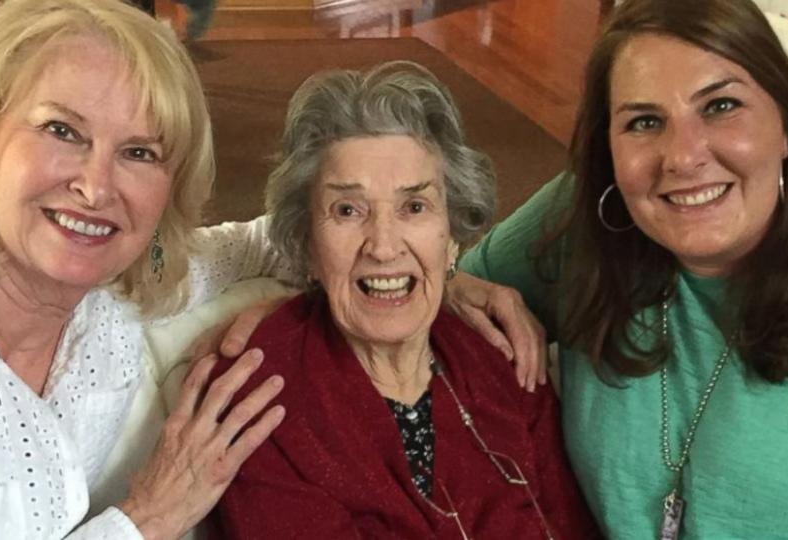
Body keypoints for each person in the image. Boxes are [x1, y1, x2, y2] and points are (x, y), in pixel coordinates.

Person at [450, 0, 788, 537]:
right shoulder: (586, 218)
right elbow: (452, 290)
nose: (682, 157)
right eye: (645, 122)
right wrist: (448, 285)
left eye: (720, 106)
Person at [0, 0, 293, 537]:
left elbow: (273, 241)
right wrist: (148, 519)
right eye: (62, 130)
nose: (95, 188)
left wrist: (306, 306)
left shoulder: (120, 292)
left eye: (139, 153)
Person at [208, 61, 600, 539]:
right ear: (307, 243)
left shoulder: (501, 357)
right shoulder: (262, 393)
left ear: (452, 237)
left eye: (414, 207)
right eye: (348, 210)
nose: (384, 246)